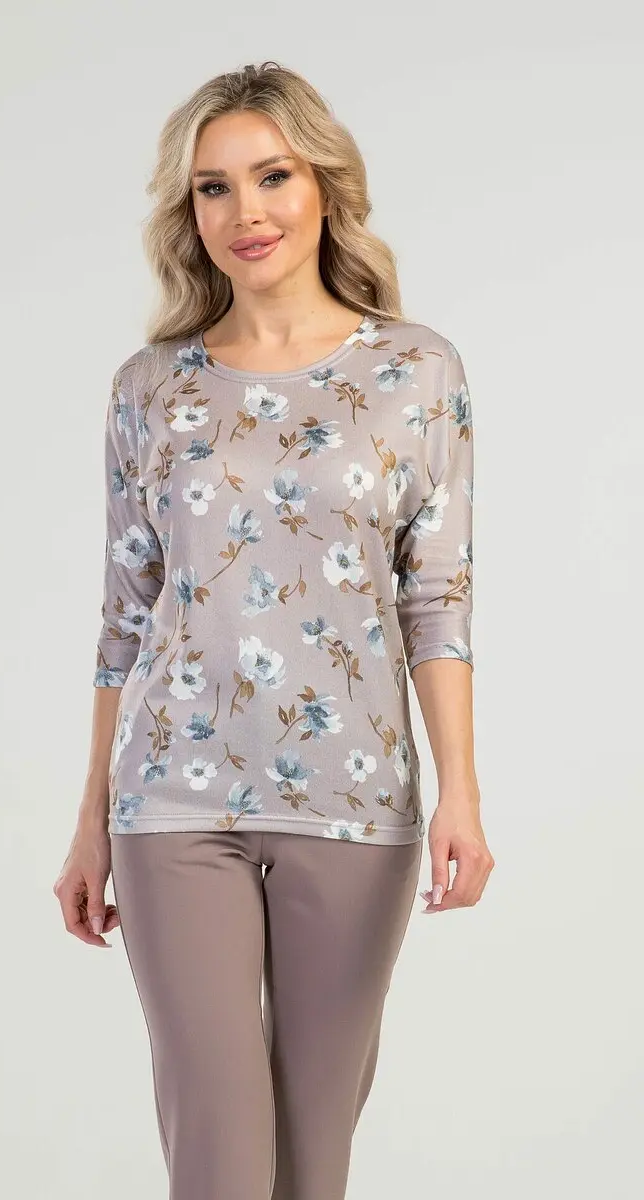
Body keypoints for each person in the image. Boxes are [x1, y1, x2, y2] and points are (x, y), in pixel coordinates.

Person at [53, 60, 494, 1200]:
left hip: (355, 801)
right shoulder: (151, 387)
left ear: (324, 185)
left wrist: (460, 794)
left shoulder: (415, 371)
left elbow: (435, 601)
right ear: (187, 211)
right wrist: (91, 819)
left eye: (271, 177)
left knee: (310, 1157)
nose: (244, 212)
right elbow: (124, 615)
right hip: (172, 803)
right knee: (217, 1145)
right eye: (213, 188)